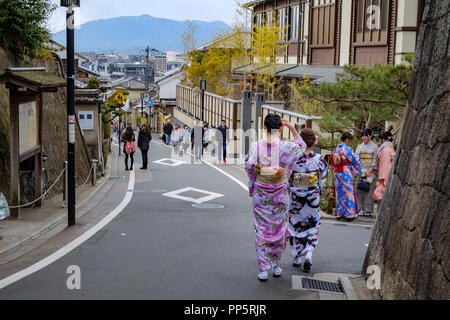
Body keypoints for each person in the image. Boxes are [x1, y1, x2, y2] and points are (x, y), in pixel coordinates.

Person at [245, 114, 306, 282]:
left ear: (264, 128)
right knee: (279, 230)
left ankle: (263, 269)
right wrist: (292, 128)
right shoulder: (287, 147)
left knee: (261, 229)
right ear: (280, 128)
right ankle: (276, 265)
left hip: (262, 194)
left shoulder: (256, 146)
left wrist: (254, 184)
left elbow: (249, 167)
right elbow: (302, 146)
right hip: (280, 194)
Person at [288, 128, 328, 273]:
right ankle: (309, 253)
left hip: (296, 198)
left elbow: (287, 177)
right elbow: (322, 179)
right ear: (313, 141)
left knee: (295, 225)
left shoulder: (293, 159)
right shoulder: (319, 160)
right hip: (312, 198)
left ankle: (297, 257)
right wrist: (317, 190)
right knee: (312, 225)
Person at [331, 132, 361, 221]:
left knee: (339, 192)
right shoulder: (347, 149)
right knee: (348, 192)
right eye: (350, 140)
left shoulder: (336, 149)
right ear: (347, 139)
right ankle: (349, 214)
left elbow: (333, 161)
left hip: (336, 172)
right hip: (345, 171)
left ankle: (339, 213)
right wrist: (358, 154)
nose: (350, 142)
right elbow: (355, 160)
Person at [355, 128, 378, 217]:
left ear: (370, 136)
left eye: (366, 135)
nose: (364, 137)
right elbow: (356, 159)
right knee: (360, 190)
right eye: (363, 136)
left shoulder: (374, 147)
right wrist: (360, 170)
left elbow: (375, 160)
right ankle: (360, 209)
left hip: (370, 171)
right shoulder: (359, 146)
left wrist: (370, 170)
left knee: (369, 190)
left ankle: (368, 209)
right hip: (361, 171)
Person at [371, 130, 396, 202]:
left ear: (382, 139)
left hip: (385, 175)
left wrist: (382, 176)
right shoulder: (390, 149)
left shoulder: (385, 150)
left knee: (382, 195)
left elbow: (385, 165)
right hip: (388, 174)